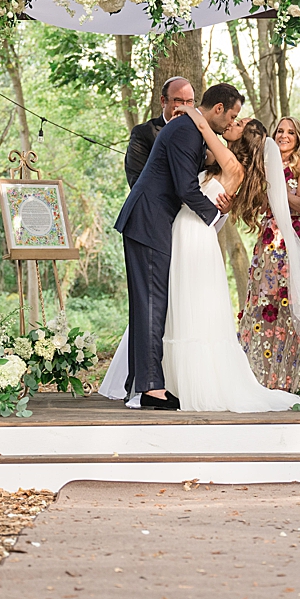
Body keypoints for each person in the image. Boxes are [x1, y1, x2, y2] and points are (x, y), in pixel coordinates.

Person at [105, 109, 299, 412]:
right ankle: (163, 379)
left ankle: (179, 382)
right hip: (185, 230)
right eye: (235, 118)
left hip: (194, 235)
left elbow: (207, 132)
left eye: (239, 123)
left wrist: (197, 113)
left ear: (245, 141)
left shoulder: (232, 164)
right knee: (175, 303)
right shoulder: (220, 163)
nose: (233, 123)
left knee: (185, 303)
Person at [111, 83, 239, 409]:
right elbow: (184, 187)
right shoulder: (187, 132)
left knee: (146, 305)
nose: (230, 123)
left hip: (147, 221)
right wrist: (214, 215)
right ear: (219, 108)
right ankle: (152, 389)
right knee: (153, 304)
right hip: (149, 222)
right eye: (232, 115)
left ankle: (137, 385)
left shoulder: (187, 129)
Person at [238, 116, 300, 389]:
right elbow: (255, 201)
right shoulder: (265, 164)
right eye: (280, 130)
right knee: (262, 301)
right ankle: (258, 372)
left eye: (290, 132)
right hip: (267, 240)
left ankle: (289, 375)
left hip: (291, 237)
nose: (284, 135)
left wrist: (276, 189)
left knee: (288, 303)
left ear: (298, 136)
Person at [125, 76, 196, 187]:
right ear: (163, 101)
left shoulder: (200, 133)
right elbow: (137, 183)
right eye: (179, 101)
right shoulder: (143, 134)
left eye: (189, 102)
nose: (185, 107)